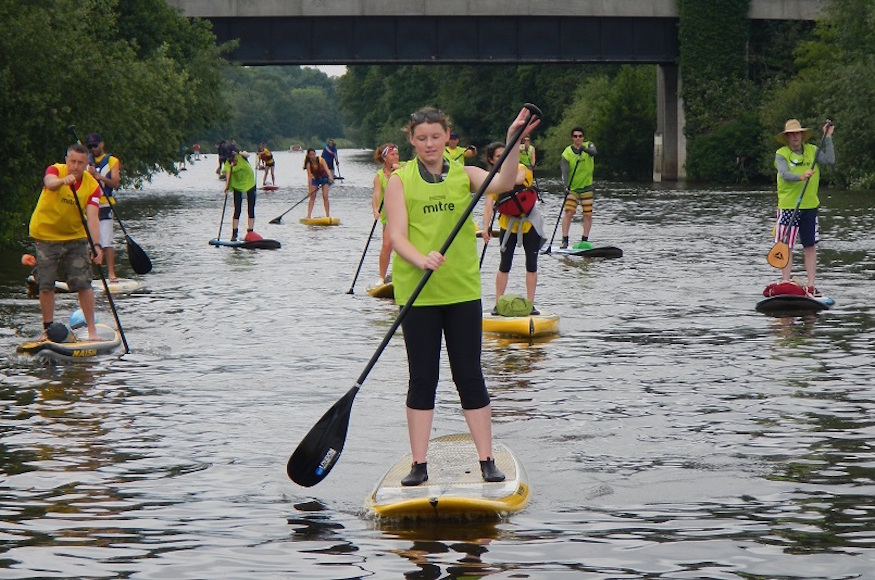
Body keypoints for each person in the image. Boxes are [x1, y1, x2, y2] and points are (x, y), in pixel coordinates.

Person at [384, 106, 538, 486]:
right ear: (411, 140)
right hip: (418, 295)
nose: (429, 144)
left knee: (469, 374)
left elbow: (504, 182)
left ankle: (486, 459)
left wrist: (512, 139)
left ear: (447, 136)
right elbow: (398, 236)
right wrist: (421, 258)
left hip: (462, 291)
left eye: (435, 137)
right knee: (422, 378)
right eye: (421, 139)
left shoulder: (463, 173)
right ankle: (419, 464)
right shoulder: (399, 181)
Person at [28, 143, 103, 341]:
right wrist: (63, 181)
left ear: (87, 164)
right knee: (46, 284)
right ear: (66, 160)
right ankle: (48, 330)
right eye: (72, 162)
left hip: (75, 239)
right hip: (46, 236)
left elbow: (93, 218)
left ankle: (92, 331)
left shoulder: (92, 186)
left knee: (84, 283)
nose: (75, 167)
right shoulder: (55, 170)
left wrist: (96, 246)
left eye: (80, 163)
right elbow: (50, 182)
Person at [481, 142, 545, 315]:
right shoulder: (492, 181)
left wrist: (500, 177)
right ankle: (498, 303)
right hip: (507, 225)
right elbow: (488, 207)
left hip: (529, 223)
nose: (502, 158)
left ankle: (530, 304)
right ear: (491, 160)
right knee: (504, 264)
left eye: (505, 155)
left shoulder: (522, 169)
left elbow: (514, 181)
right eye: (498, 156)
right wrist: (485, 228)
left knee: (531, 264)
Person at [774, 118, 835, 296]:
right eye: (791, 134)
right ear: (787, 137)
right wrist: (801, 176)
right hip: (788, 207)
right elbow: (784, 174)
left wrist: (828, 138)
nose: (795, 137)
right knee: (786, 244)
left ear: (802, 135)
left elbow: (830, 160)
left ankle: (810, 284)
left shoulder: (812, 151)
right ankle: (785, 281)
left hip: (809, 206)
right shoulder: (781, 154)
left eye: (797, 133)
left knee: (809, 246)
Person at [86, 132, 122, 282]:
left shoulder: (112, 161)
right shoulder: (85, 162)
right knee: (88, 243)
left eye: (95, 145)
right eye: (90, 146)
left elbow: (115, 183)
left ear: (102, 144)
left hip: (105, 204)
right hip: (89, 205)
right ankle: (87, 275)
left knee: (106, 241)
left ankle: (111, 274)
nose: (93, 148)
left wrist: (99, 177)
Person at [559, 126, 597, 249]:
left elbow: (594, 153)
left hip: (586, 187)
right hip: (572, 189)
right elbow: (564, 171)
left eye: (580, 136)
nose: (578, 139)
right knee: (569, 212)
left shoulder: (589, 145)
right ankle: (565, 240)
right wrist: (565, 186)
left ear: (583, 138)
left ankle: (584, 240)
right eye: (575, 136)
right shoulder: (567, 153)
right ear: (572, 138)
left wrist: (583, 149)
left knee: (587, 214)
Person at [371, 143, 401, 285]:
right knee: (387, 246)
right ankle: (382, 278)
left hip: (405, 211)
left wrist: (398, 170)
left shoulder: (405, 168)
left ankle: (400, 275)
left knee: (402, 245)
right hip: (389, 214)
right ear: (385, 158)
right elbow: (377, 194)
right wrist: (375, 209)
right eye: (392, 155)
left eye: (397, 154)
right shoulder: (379, 176)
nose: (396, 157)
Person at [222, 146, 257, 241]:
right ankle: (234, 233)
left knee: (251, 208)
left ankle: (250, 232)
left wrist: (240, 153)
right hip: (237, 185)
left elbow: (247, 154)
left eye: (232, 156)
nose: (230, 158)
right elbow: (228, 176)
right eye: (229, 157)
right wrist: (226, 188)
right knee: (237, 209)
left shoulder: (242, 157)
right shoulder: (228, 164)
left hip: (249, 183)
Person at [304, 148, 333, 219]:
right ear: (308, 156)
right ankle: (308, 215)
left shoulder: (321, 160)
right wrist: (309, 190)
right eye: (311, 155)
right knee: (312, 196)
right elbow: (309, 178)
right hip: (315, 179)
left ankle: (327, 215)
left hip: (324, 178)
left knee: (325, 196)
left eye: (313, 154)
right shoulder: (308, 164)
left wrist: (330, 177)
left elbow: (327, 169)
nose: (313, 156)